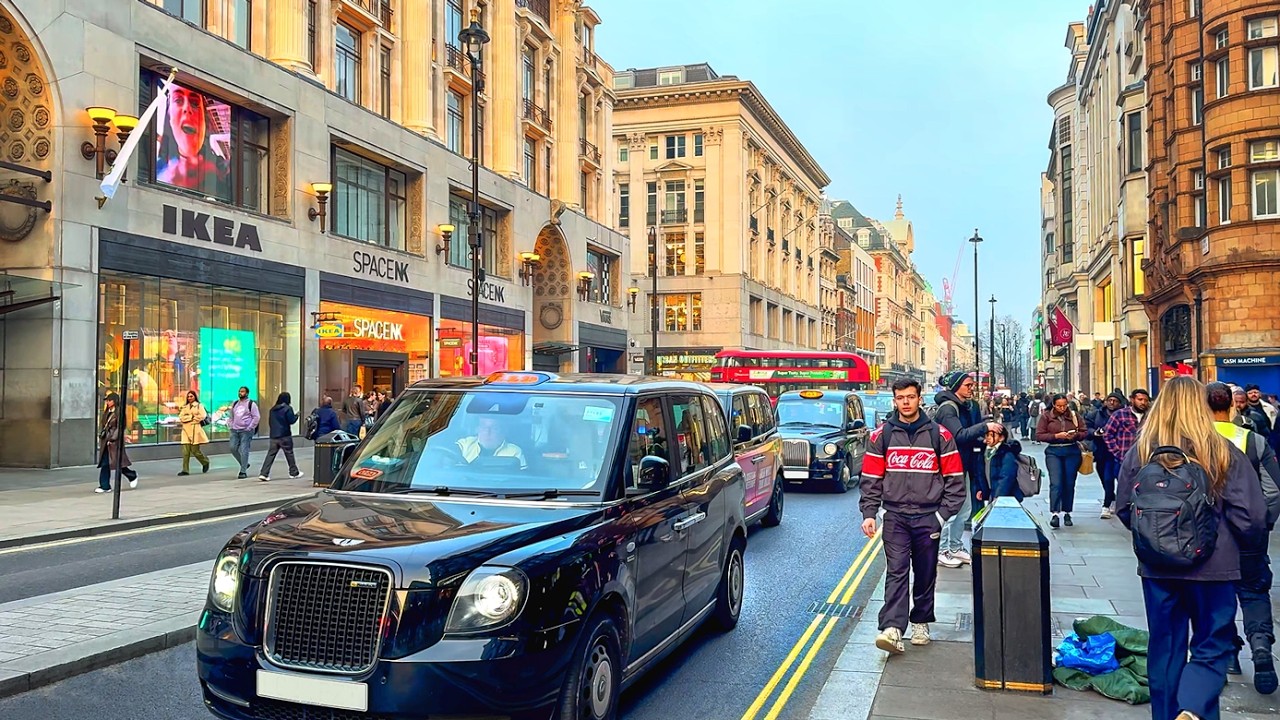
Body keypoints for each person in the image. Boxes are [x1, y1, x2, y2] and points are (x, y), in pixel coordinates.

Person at [1116, 376, 1268, 720]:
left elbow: (1124, 508)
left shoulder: (1140, 452)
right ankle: (1194, 708)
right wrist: (1246, 550)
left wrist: (1156, 540)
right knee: (1212, 646)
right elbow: (1252, 516)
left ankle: (1169, 714)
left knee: (1165, 648)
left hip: (1158, 569)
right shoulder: (1221, 450)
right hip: (1215, 566)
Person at [860, 378, 965, 655]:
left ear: (920, 399)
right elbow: (871, 478)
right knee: (896, 571)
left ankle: (920, 621)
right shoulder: (880, 436)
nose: (905, 402)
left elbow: (955, 482)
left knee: (925, 572)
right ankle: (892, 628)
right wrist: (869, 513)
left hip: (927, 516)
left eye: (910, 397)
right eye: (900, 398)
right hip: (894, 515)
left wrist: (941, 518)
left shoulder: (940, 436)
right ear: (894, 400)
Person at [1206, 382, 1279, 693]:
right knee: (1254, 592)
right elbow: (1273, 491)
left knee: (1215, 597)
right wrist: (1262, 524)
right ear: (1232, 406)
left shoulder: (1195, 441)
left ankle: (1228, 655)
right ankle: (1261, 645)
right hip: (1249, 534)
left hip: (1210, 537)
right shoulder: (1254, 440)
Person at [932, 371, 1003, 567]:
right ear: (956, 387)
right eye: (968, 385)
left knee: (965, 510)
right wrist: (985, 427)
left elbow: (970, 437)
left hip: (964, 464)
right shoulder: (948, 409)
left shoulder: (967, 406)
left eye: (972, 385)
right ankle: (942, 549)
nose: (972, 388)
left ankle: (954, 546)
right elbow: (959, 435)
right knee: (950, 509)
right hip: (949, 467)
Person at [156, 83, 228, 192]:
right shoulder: (159, 171)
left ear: (205, 120)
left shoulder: (222, 171)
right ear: (169, 117)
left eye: (194, 103)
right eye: (178, 100)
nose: (187, 108)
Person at [1035, 393, 1086, 528]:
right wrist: (1056, 436)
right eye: (1059, 406)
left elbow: (1084, 432)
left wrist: (1075, 435)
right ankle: (1055, 513)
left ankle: (1067, 512)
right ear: (1053, 405)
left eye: (1064, 405)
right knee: (1056, 483)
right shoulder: (1046, 416)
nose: (1062, 408)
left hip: (1071, 451)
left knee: (1069, 483)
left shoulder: (1074, 415)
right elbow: (1039, 435)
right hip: (1054, 452)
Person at [1089, 391, 1124, 519]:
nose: (1112, 403)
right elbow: (1087, 427)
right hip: (1101, 450)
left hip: (1118, 451)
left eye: (1115, 401)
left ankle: (1107, 504)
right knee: (1104, 477)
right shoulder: (1096, 414)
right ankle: (1111, 498)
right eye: (1110, 400)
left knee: (1111, 478)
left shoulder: (1123, 415)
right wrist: (1094, 433)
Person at [96, 393, 138, 493]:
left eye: (109, 400)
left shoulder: (119, 412)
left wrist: (113, 439)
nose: (107, 402)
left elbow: (120, 428)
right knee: (105, 463)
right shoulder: (107, 412)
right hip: (106, 441)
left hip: (114, 443)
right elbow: (104, 426)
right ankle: (105, 485)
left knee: (118, 463)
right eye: (106, 401)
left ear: (114, 401)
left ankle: (132, 475)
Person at [259, 392, 303, 481]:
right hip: (285, 435)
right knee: (289, 454)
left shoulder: (272, 409)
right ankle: (294, 472)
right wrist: (297, 415)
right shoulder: (288, 408)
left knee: (270, 455)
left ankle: (264, 473)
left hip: (274, 435)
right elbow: (291, 420)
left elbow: (271, 422)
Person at [1104, 388, 1151, 468]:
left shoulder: (1151, 416)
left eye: (1146, 400)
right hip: (1124, 460)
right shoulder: (1120, 414)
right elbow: (1108, 434)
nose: (1143, 402)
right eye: (1140, 399)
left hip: (1145, 460)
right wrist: (1117, 452)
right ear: (1132, 400)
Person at [457, 416, 527, 469]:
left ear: (504, 431)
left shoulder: (514, 452)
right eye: (483, 427)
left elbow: (522, 479)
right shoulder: (465, 444)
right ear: (477, 429)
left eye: (495, 428)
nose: (487, 432)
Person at [984, 423, 1023, 502]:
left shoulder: (1007, 454)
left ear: (1001, 438)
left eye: (991, 435)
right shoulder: (987, 452)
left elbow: (1007, 477)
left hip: (1006, 497)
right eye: (986, 435)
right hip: (994, 494)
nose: (987, 438)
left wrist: (999, 496)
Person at [227, 386, 259, 480]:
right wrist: (231, 424)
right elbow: (231, 416)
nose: (241, 393)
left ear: (247, 393)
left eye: (243, 391)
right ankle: (244, 464)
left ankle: (243, 471)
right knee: (233, 448)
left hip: (246, 431)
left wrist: (250, 427)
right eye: (240, 391)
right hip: (235, 430)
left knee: (244, 450)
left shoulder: (251, 404)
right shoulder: (235, 403)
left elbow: (256, 417)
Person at [177, 390, 210, 476]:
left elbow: (202, 416)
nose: (190, 398)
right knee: (185, 452)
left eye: (191, 396)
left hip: (195, 429)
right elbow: (181, 417)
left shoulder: (199, 406)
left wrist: (188, 418)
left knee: (195, 451)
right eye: (188, 396)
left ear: (195, 396)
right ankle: (185, 470)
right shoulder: (185, 407)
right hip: (185, 430)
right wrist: (191, 417)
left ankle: (205, 461)